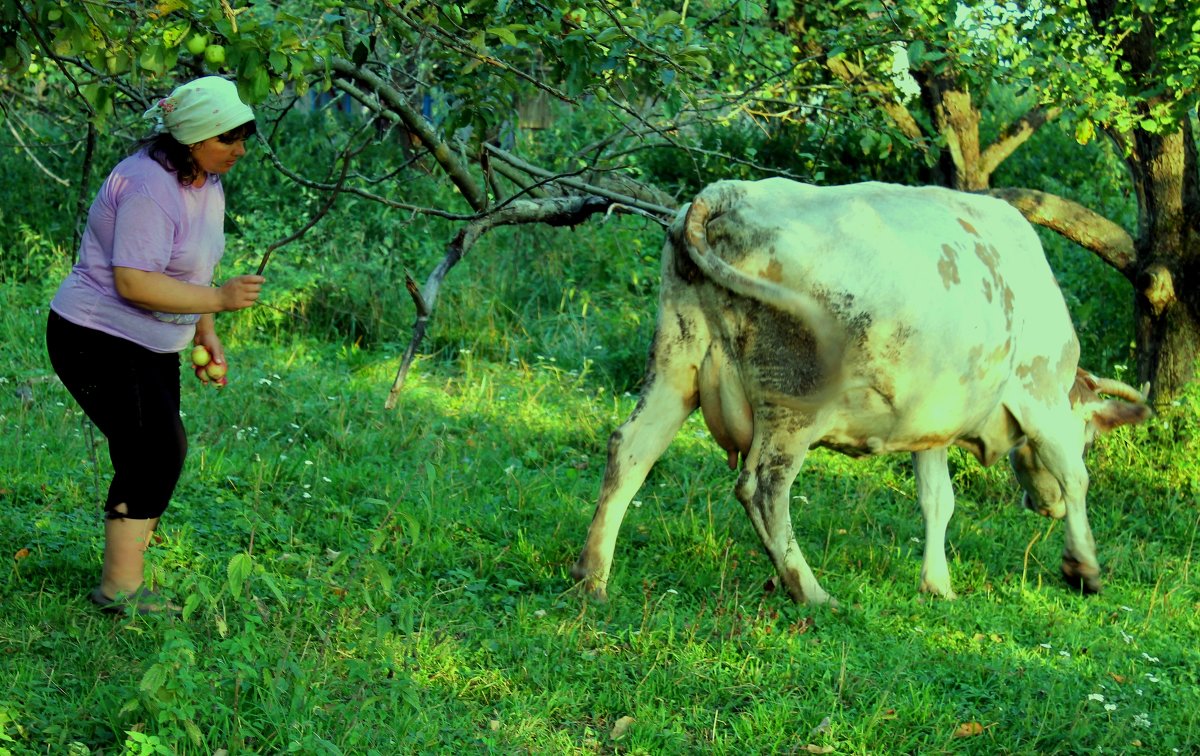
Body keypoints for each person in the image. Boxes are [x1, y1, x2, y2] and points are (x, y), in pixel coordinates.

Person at [45, 76, 265, 615]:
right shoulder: (147, 185)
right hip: (96, 334)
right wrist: (217, 298)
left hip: (151, 342)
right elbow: (134, 282)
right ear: (194, 139)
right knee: (155, 450)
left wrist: (206, 331)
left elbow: (191, 265)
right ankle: (120, 589)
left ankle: (125, 574)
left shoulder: (205, 180)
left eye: (244, 136)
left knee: (154, 450)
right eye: (228, 138)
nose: (240, 150)